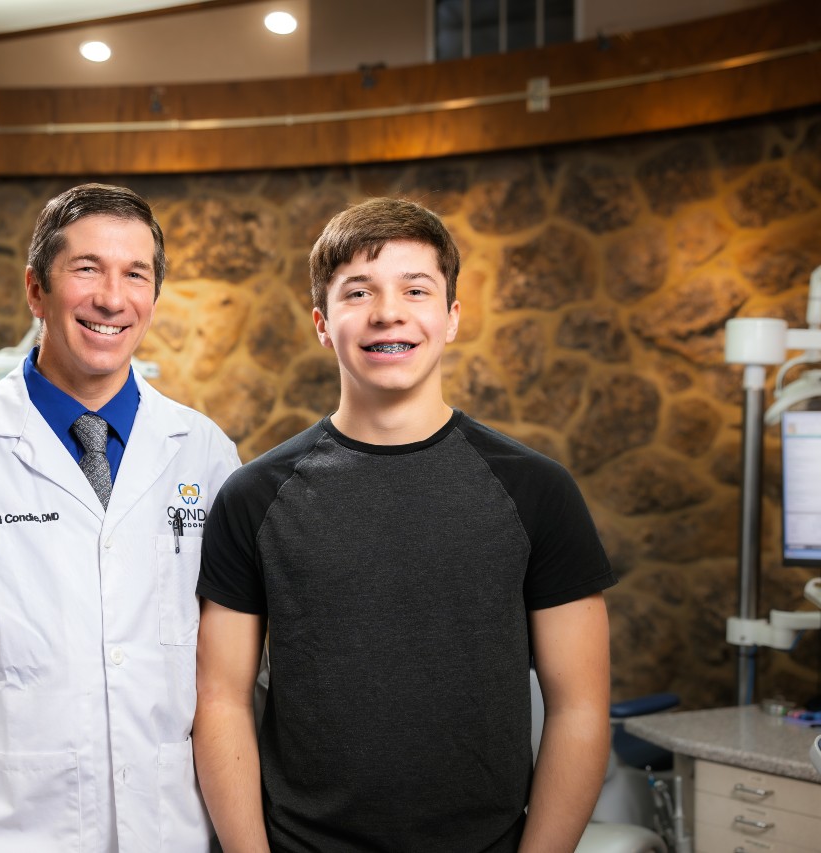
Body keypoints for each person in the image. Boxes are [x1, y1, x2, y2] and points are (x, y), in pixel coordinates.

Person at [193, 197, 615, 852]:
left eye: (415, 289)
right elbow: (221, 700)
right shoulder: (253, 497)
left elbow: (580, 707)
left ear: (450, 318)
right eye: (357, 292)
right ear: (321, 324)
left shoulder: (538, 491)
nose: (388, 311)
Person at [0, 183, 241, 852]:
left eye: (136, 274)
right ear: (36, 290)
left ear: (153, 297)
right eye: (87, 268)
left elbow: (226, 682)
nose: (112, 298)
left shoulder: (206, 455)